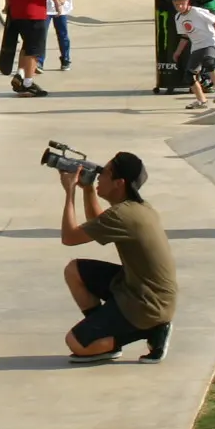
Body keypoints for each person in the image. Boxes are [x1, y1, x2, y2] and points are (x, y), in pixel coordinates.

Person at [57, 150, 174, 364]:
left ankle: (151, 331)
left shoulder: (124, 215)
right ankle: (102, 332)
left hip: (146, 304)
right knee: (74, 270)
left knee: (77, 344)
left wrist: (70, 191)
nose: (99, 176)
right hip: (139, 289)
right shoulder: (136, 208)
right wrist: (88, 189)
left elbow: (69, 237)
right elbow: (99, 222)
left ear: (119, 183)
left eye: (105, 173)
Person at [171, 0, 215, 107]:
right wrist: (178, 52)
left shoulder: (198, 12)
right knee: (189, 76)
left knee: (208, 61)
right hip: (196, 46)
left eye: (182, 3)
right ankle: (201, 101)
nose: (180, 6)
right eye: (176, 4)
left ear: (188, 1)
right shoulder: (178, 18)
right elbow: (185, 36)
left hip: (210, 41)